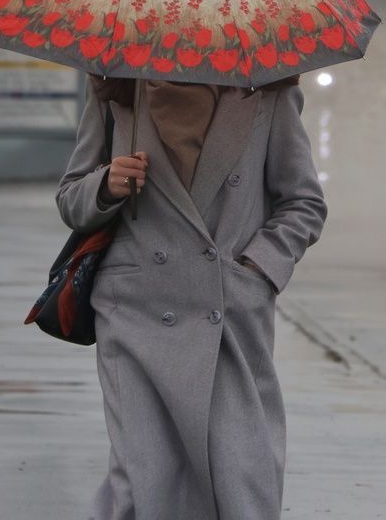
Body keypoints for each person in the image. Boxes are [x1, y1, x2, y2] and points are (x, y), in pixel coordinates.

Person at [56, 74, 328, 520]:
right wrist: (106, 185)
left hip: (228, 314)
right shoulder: (118, 86)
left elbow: (303, 202)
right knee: (145, 483)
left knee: (241, 476)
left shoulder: (267, 91)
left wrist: (257, 270)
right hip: (136, 312)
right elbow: (70, 197)